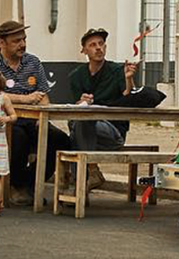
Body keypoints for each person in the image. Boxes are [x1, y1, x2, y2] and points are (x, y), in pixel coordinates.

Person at [0, 18, 67, 199]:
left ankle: (30, 183)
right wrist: (26, 99)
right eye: (16, 41)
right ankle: (16, 185)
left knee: (60, 140)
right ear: (2, 43)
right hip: (6, 119)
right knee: (18, 139)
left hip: (33, 119)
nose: (22, 44)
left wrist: (42, 117)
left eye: (24, 39)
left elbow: (43, 94)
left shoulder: (33, 62)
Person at [64, 27, 138, 151]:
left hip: (113, 129)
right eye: (93, 45)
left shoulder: (118, 70)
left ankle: (84, 168)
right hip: (86, 129)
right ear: (84, 50)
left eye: (101, 44)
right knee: (77, 120)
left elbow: (129, 95)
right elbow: (76, 106)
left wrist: (129, 79)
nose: (98, 48)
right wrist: (82, 102)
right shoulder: (76, 75)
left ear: (105, 47)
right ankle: (86, 167)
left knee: (82, 122)